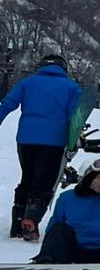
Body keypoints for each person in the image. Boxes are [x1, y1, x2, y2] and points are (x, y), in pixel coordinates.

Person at [2, 49, 82, 238]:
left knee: (27, 177)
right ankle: (31, 221)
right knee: (44, 181)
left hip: (26, 139)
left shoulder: (27, 83)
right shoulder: (72, 88)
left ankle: (18, 222)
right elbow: (74, 117)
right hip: (54, 141)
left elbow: (6, 104)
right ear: (63, 68)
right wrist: (74, 140)